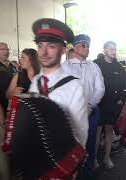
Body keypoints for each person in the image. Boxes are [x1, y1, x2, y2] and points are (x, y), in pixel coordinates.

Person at [29, 18, 89, 149]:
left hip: (61, 156)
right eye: (40, 46)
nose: (43, 52)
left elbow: (80, 133)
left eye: (51, 46)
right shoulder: (35, 81)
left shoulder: (74, 87)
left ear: (63, 50)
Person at [62, 34, 105, 178]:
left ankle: (88, 175)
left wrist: (90, 105)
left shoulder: (94, 66)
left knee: (90, 147)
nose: (87, 48)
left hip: (91, 112)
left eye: (88, 45)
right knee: (72, 148)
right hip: (71, 113)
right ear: (74, 47)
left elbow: (100, 88)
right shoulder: (65, 67)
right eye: (83, 45)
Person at [94, 41, 126, 169]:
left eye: (115, 49)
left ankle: (107, 157)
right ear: (105, 50)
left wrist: (120, 101)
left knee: (109, 132)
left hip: (113, 105)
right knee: (97, 133)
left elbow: (123, 86)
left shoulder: (118, 66)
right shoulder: (97, 64)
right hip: (100, 104)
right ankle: (94, 158)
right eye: (111, 49)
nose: (113, 51)